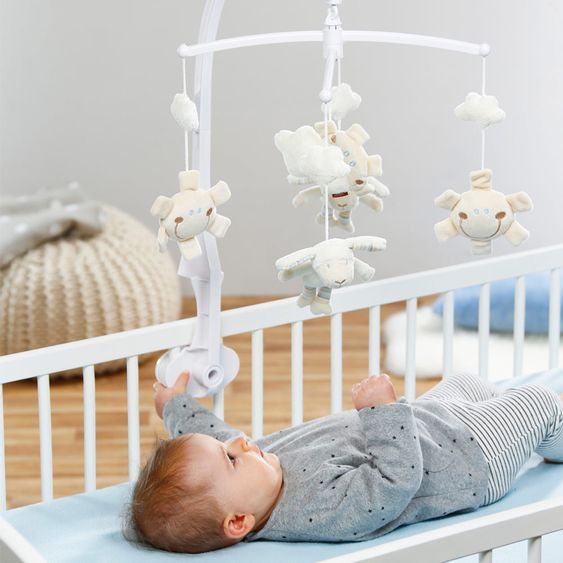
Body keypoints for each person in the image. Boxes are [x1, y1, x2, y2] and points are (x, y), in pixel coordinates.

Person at [125, 371, 563, 554]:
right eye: (230, 458)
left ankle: (516, 422)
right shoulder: (316, 509)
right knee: (540, 401)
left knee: (466, 381)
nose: (239, 442)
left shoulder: (254, 476)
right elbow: (396, 481)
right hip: (471, 457)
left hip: (433, 421)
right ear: (239, 522)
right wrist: (381, 412)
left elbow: (211, 435)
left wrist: (174, 405)